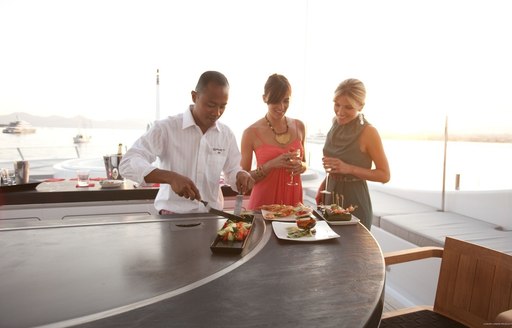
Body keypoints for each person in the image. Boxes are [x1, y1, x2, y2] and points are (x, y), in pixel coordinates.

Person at [120, 71, 254, 214]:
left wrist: (240, 175)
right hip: (172, 219)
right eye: (211, 105)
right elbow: (128, 163)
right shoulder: (166, 128)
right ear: (194, 97)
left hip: (212, 219)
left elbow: (232, 170)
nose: (217, 113)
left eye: (222, 106)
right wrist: (170, 177)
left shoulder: (226, 134)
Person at [315, 78, 390, 230]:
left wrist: (348, 168)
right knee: (328, 251)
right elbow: (334, 166)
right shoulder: (335, 123)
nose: (340, 112)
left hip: (354, 201)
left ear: (360, 106)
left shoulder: (368, 132)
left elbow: (384, 175)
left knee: (352, 252)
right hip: (330, 196)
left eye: (348, 107)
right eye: (337, 105)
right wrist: (323, 186)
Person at [240, 74, 307, 210]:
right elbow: (243, 181)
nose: (281, 106)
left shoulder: (299, 126)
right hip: (264, 203)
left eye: (286, 101)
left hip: (293, 202)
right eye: (276, 101)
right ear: (264, 98)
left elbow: (304, 163)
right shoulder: (250, 133)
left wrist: (302, 166)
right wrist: (270, 165)